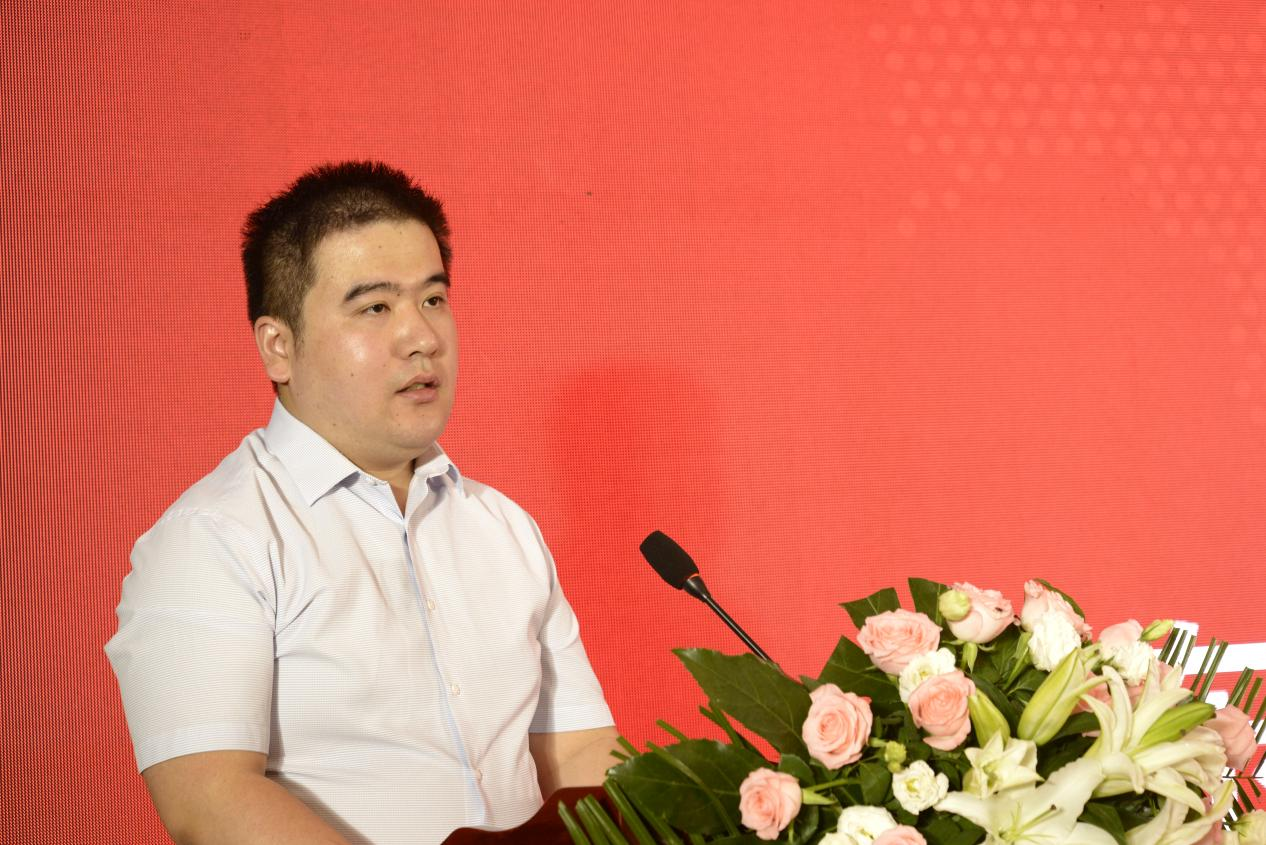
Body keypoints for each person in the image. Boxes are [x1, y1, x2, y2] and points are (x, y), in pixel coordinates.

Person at [105, 161, 619, 845]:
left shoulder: (503, 528)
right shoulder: (214, 538)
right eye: (376, 307)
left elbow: (581, 754)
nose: (422, 337)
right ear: (279, 346)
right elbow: (211, 802)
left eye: (433, 299)